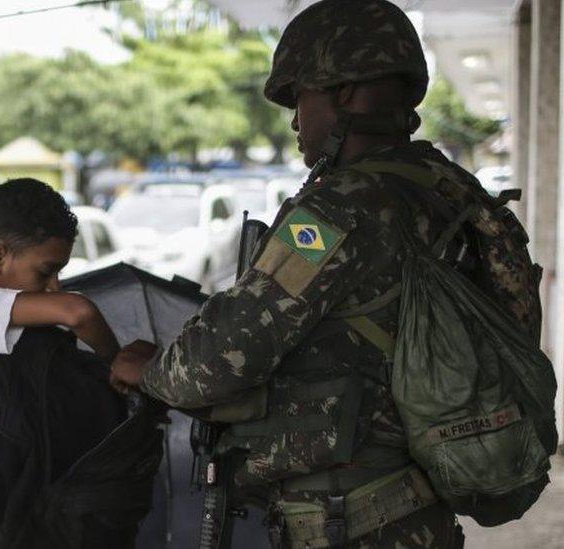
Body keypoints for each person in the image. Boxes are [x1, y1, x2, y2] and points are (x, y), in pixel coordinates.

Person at [111, 1, 541, 547]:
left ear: (341, 91)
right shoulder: (451, 192)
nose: (294, 119)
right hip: (421, 518)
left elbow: (211, 364)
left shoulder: (337, 208)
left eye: (299, 97)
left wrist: (149, 369)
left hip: (350, 523)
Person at [0, 178, 158, 548]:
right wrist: (117, 364)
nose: (55, 286)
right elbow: (79, 311)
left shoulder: (18, 330)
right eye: (46, 272)